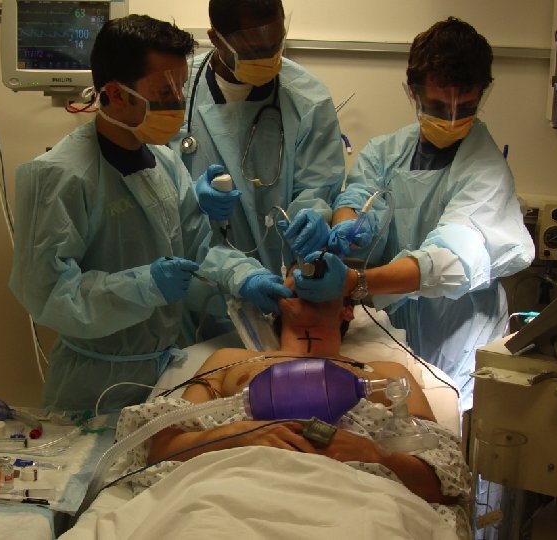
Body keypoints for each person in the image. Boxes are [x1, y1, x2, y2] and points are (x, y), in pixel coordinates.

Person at [8, 14, 292, 413]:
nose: (177, 102)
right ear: (115, 94)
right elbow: (49, 294)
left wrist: (244, 276)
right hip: (94, 385)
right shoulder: (59, 176)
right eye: (163, 91)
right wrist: (144, 286)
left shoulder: (164, 162)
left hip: (164, 374)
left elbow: (198, 249)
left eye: (180, 87)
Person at [279, 17, 535, 411]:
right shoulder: (386, 152)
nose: (451, 118)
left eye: (466, 107)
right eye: (437, 106)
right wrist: (347, 227)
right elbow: (359, 196)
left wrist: (356, 282)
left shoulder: (486, 171)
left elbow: (447, 261)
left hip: (456, 333)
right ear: (412, 92)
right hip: (388, 332)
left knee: (446, 420)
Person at [111, 293, 471, 538]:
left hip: (357, 491)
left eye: (322, 278)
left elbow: (443, 481)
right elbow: (160, 447)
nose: (308, 282)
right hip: (230, 479)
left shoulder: (386, 373)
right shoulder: (230, 361)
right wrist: (239, 435)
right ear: (276, 301)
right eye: (297, 279)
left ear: (347, 308)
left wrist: (371, 452)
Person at [169, 0, 346, 276]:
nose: (269, 57)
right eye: (254, 50)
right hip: (195, 276)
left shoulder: (309, 99)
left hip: (280, 275)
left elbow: (318, 186)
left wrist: (314, 215)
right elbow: (153, 178)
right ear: (216, 39)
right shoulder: (173, 90)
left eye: (275, 45)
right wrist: (190, 197)